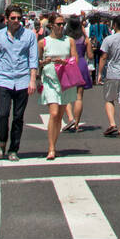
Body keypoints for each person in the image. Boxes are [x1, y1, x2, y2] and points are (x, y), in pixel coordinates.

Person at [0, 4, 39, 161]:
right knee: (3, 114)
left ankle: (14, 149)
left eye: (18, 18)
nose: (16, 21)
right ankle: (2, 141)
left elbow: (33, 59)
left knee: (18, 117)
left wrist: (32, 80)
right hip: (3, 79)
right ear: (6, 19)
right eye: (13, 18)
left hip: (22, 80)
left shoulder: (29, 36)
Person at [38, 14, 79, 160]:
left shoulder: (70, 41)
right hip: (50, 81)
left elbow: (75, 59)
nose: (61, 26)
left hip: (65, 81)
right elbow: (37, 62)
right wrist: (44, 62)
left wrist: (65, 62)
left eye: (63, 24)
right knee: (54, 113)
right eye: (58, 24)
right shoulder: (43, 42)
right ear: (51, 25)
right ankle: (50, 148)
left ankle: (54, 145)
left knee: (60, 115)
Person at [62, 17, 93, 132]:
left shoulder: (65, 39)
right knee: (79, 97)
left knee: (66, 95)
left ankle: (70, 118)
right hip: (81, 64)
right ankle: (76, 124)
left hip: (69, 65)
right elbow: (90, 56)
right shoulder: (85, 39)